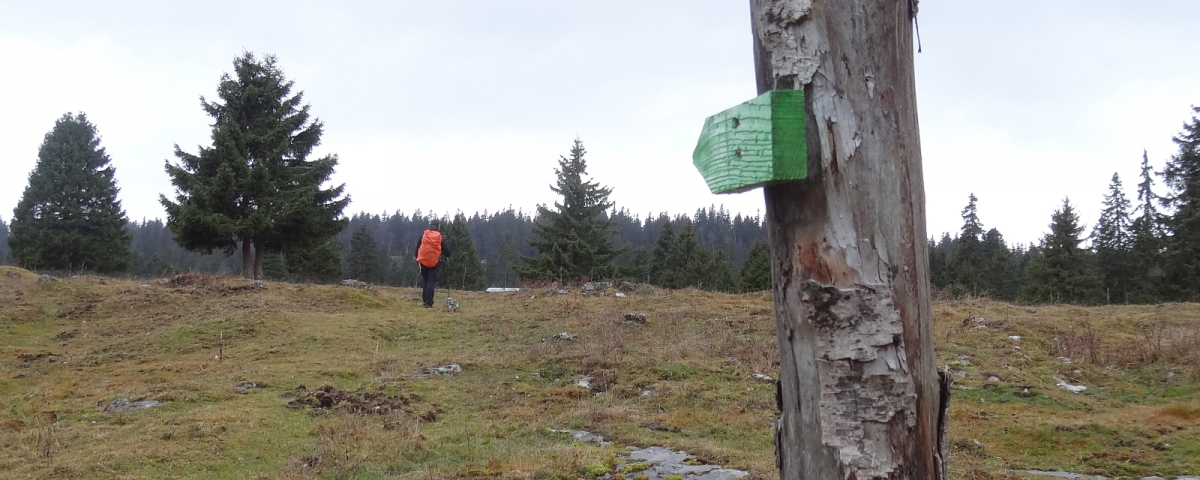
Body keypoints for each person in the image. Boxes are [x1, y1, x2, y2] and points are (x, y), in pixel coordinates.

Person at [414, 219, 452, 308]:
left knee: (426, 280)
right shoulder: (440, 237)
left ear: (430, 225)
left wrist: (417, 259)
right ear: (438, 226)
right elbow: (447, 253)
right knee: (431, 281)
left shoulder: (424, 235)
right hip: (434, 262)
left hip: (423, 260)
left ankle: (425, 300)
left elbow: (418, 247)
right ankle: (428, 302)